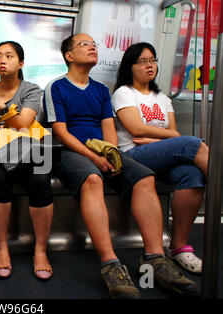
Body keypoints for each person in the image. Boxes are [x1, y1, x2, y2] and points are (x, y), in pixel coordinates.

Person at [43, 33, 199, 298]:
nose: (92, 47)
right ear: (68, 56)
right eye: (84, 44)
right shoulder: (56, 87)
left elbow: (108, 129)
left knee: (144, 177)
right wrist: (94, 157)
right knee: (93, 179)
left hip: (103, 151)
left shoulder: (101, 90)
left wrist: (111, 153)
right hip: (71, 152)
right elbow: (61, 133)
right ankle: (110, 264)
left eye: (94, 44)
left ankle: (154, 257)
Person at [112, 42, 208, 274]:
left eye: (152, 60)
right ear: (130, 66)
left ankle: (179, 247)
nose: (149, 66)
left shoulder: (163, 98)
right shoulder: (124, 93)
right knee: (192, 143)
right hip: (132, 155)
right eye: (142, 61)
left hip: (158, 153)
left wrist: (162, 139)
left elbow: (170, 134)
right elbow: (137, 129)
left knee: (192, 173)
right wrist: (170, 137)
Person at [0, 41, 54, 280]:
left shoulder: (30, 89)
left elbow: (23, 124)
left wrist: (0, 104)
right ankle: (2, 248)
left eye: (9, 56)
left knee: (41, 179)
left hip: (28, 148)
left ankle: (40, 250)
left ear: (20, 63)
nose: (2, 60)